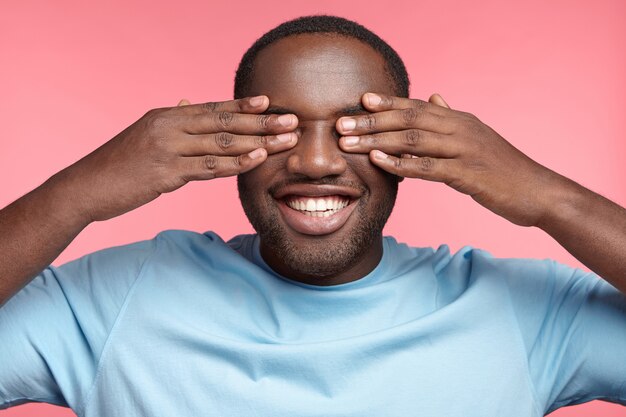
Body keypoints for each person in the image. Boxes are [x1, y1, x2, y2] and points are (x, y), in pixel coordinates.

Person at [0, 15, 624, 417]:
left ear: (414, 144)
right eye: (281, 127)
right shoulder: (111, 302)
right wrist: (74, 192)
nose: (317, 160)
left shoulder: (524, 312)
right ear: (227, 140)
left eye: (355, 128)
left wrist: (549, 197)